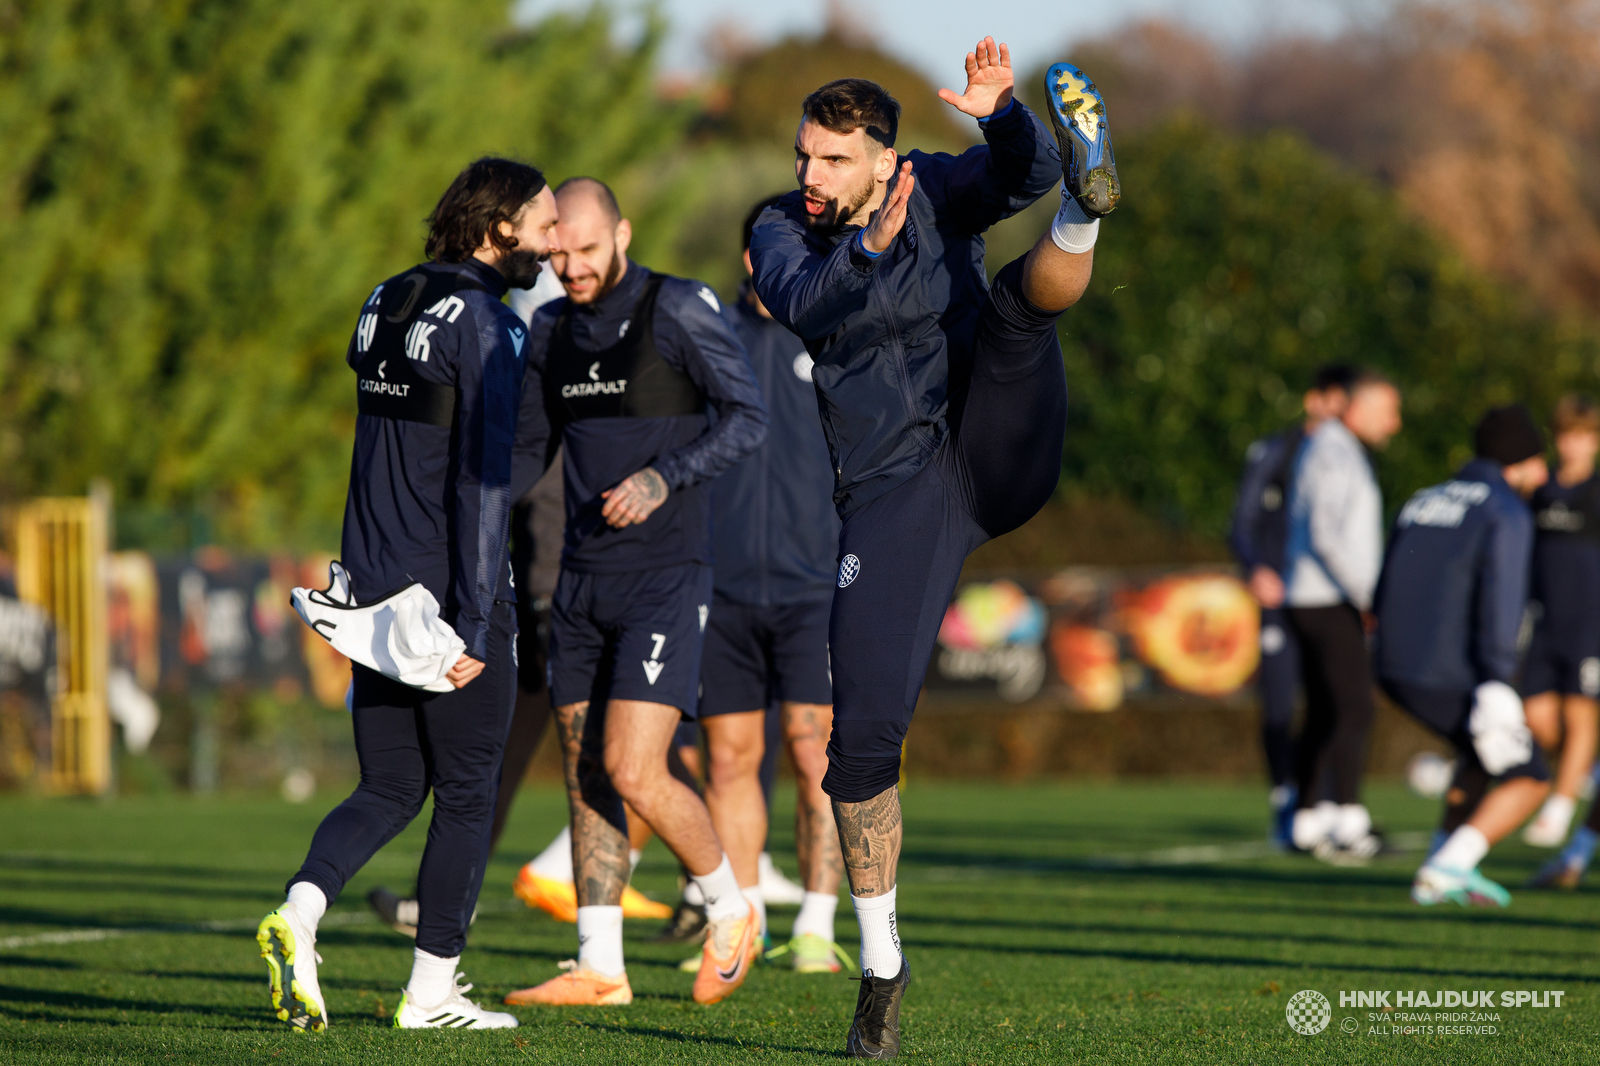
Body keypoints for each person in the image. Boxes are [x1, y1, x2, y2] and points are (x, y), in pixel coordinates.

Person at [751, 41, 1107, 1058]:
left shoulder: (933, 187)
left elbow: (1018, 173)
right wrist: (862, 252)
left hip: (990, 442)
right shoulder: (779, 227)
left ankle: (1089, 212)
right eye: (802, 156)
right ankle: (880, 970)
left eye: (829, 160)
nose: (808, 176)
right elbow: (804, 301)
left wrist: (1001, 119)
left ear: (881, 160)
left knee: (1008, 315)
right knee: (856, 752)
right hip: (893, 494)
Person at [258, 157, 559, 1031]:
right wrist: (473, 620)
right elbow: (480, 484)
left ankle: (301, 912)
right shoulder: (490, 325)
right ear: (498, 226)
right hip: (450, 595)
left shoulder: (382, 298)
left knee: (390, 784)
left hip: (372, 585)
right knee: (467, 791)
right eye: (539, 225)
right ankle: (430, 994)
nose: (548, 243)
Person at [502, 177, 769, 1008]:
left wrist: (665, 476)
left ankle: (733, 912)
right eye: (559, 252)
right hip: (580, 580)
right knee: (588, 777)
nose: (571, 265)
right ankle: (600, 967)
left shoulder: (679, 308)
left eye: (585, 249)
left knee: (635, 768)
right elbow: (525, 455)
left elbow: (748, 416)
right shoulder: (549, 328)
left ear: (622, 233)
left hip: (665, 576)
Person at [683, 195, 849, 975]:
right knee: (728, 759)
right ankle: (739, 921)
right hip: (722, 589)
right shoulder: (706, 335)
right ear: (750, 256)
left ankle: (815, 926)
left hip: (818, 584)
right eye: (765, 246)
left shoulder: (838, 331)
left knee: (816, 754)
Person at [1373, 405, 1550, 906]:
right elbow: (1502, 600)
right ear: (1517, 460)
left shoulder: (1421, 499)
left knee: (1477, 756)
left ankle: (1436, 867)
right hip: (1449, 671)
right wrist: (1497, 679)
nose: (1542, 473)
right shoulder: (1504, 510)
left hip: (1393, 663)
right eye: (1537, 459)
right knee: (1530, 776)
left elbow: (1385, 586)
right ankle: (1448, 866)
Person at [1229, 364, 1355, 847]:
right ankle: (1286, 800)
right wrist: (1256, 569)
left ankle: (1324, 805)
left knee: (1333, 702)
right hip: (1282, 601)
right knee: (1281, 704)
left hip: (1326, 602)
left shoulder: (1348, 460)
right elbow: (1241, 525)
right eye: (1334, 402)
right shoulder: (1276, 452)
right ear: (1314, 401)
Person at [1282, 369, 1402, 863]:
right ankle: (1348, 821)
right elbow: (1327, 534)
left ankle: (1308, 818)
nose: (1394, 425)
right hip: (1329, 598)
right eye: (1389, 412)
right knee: (1355, 708)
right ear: (1362, 407)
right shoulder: (1334, 451)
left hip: (1318, 596)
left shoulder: (1337, 448)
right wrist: (1366, 594)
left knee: (1327, 711)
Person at [1520, 396, 1600, 848]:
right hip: (1544, 621)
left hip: (1589, 623)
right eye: (1567, 436)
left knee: (1580, 711)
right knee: (1539, 720)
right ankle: (1581, 770)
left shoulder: (1596, 492)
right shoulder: (1541, 488)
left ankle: (1560, 807)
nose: (1575, 446)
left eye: (1584, 437)